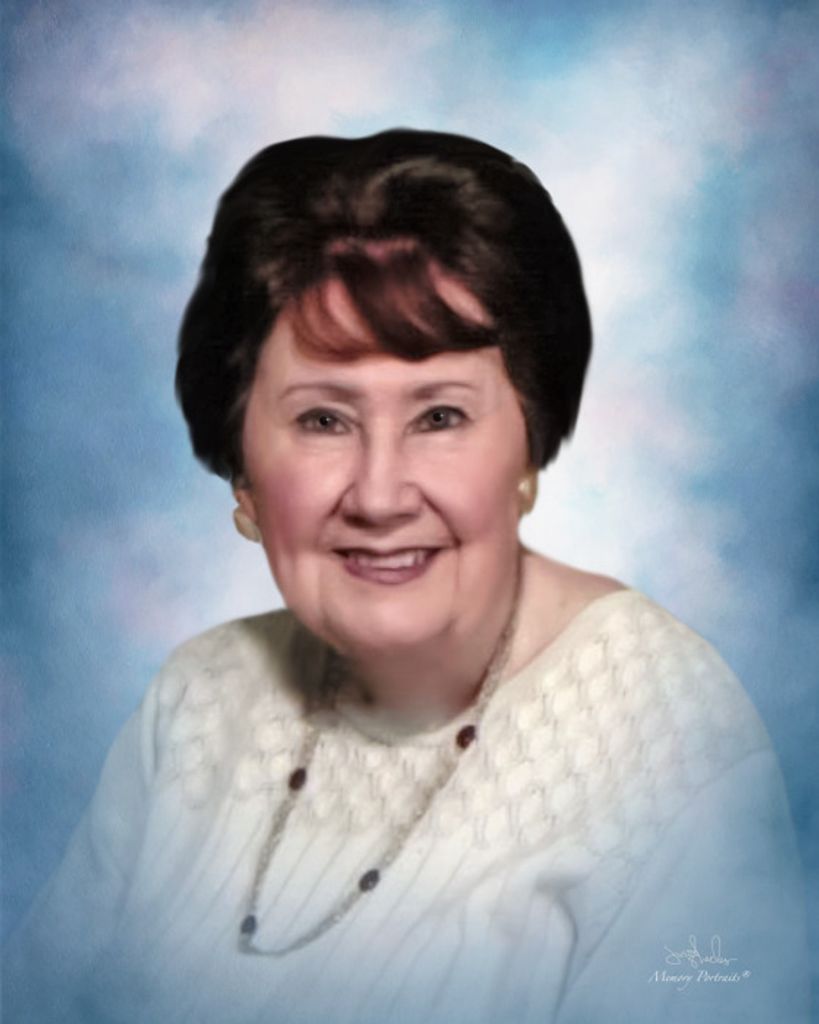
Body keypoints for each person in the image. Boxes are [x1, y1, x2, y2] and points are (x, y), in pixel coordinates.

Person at [4, 129, 808, 1023]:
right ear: (244, 476)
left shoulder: (663, 734)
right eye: (322, 420)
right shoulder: (198, 698)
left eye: (439, 416)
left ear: (527, 449)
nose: (380, 495)